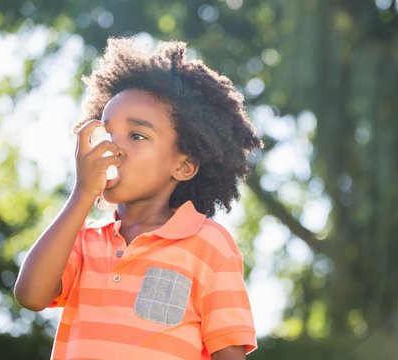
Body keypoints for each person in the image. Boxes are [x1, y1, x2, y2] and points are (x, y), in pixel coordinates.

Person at [14, 37, 262, 359]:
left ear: (183, 165)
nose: (113, 147)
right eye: (107, 132)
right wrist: (82, 194)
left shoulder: (210, 246)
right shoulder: (83, 240)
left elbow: (228, 353)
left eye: (137, 135)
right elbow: (30, 295)